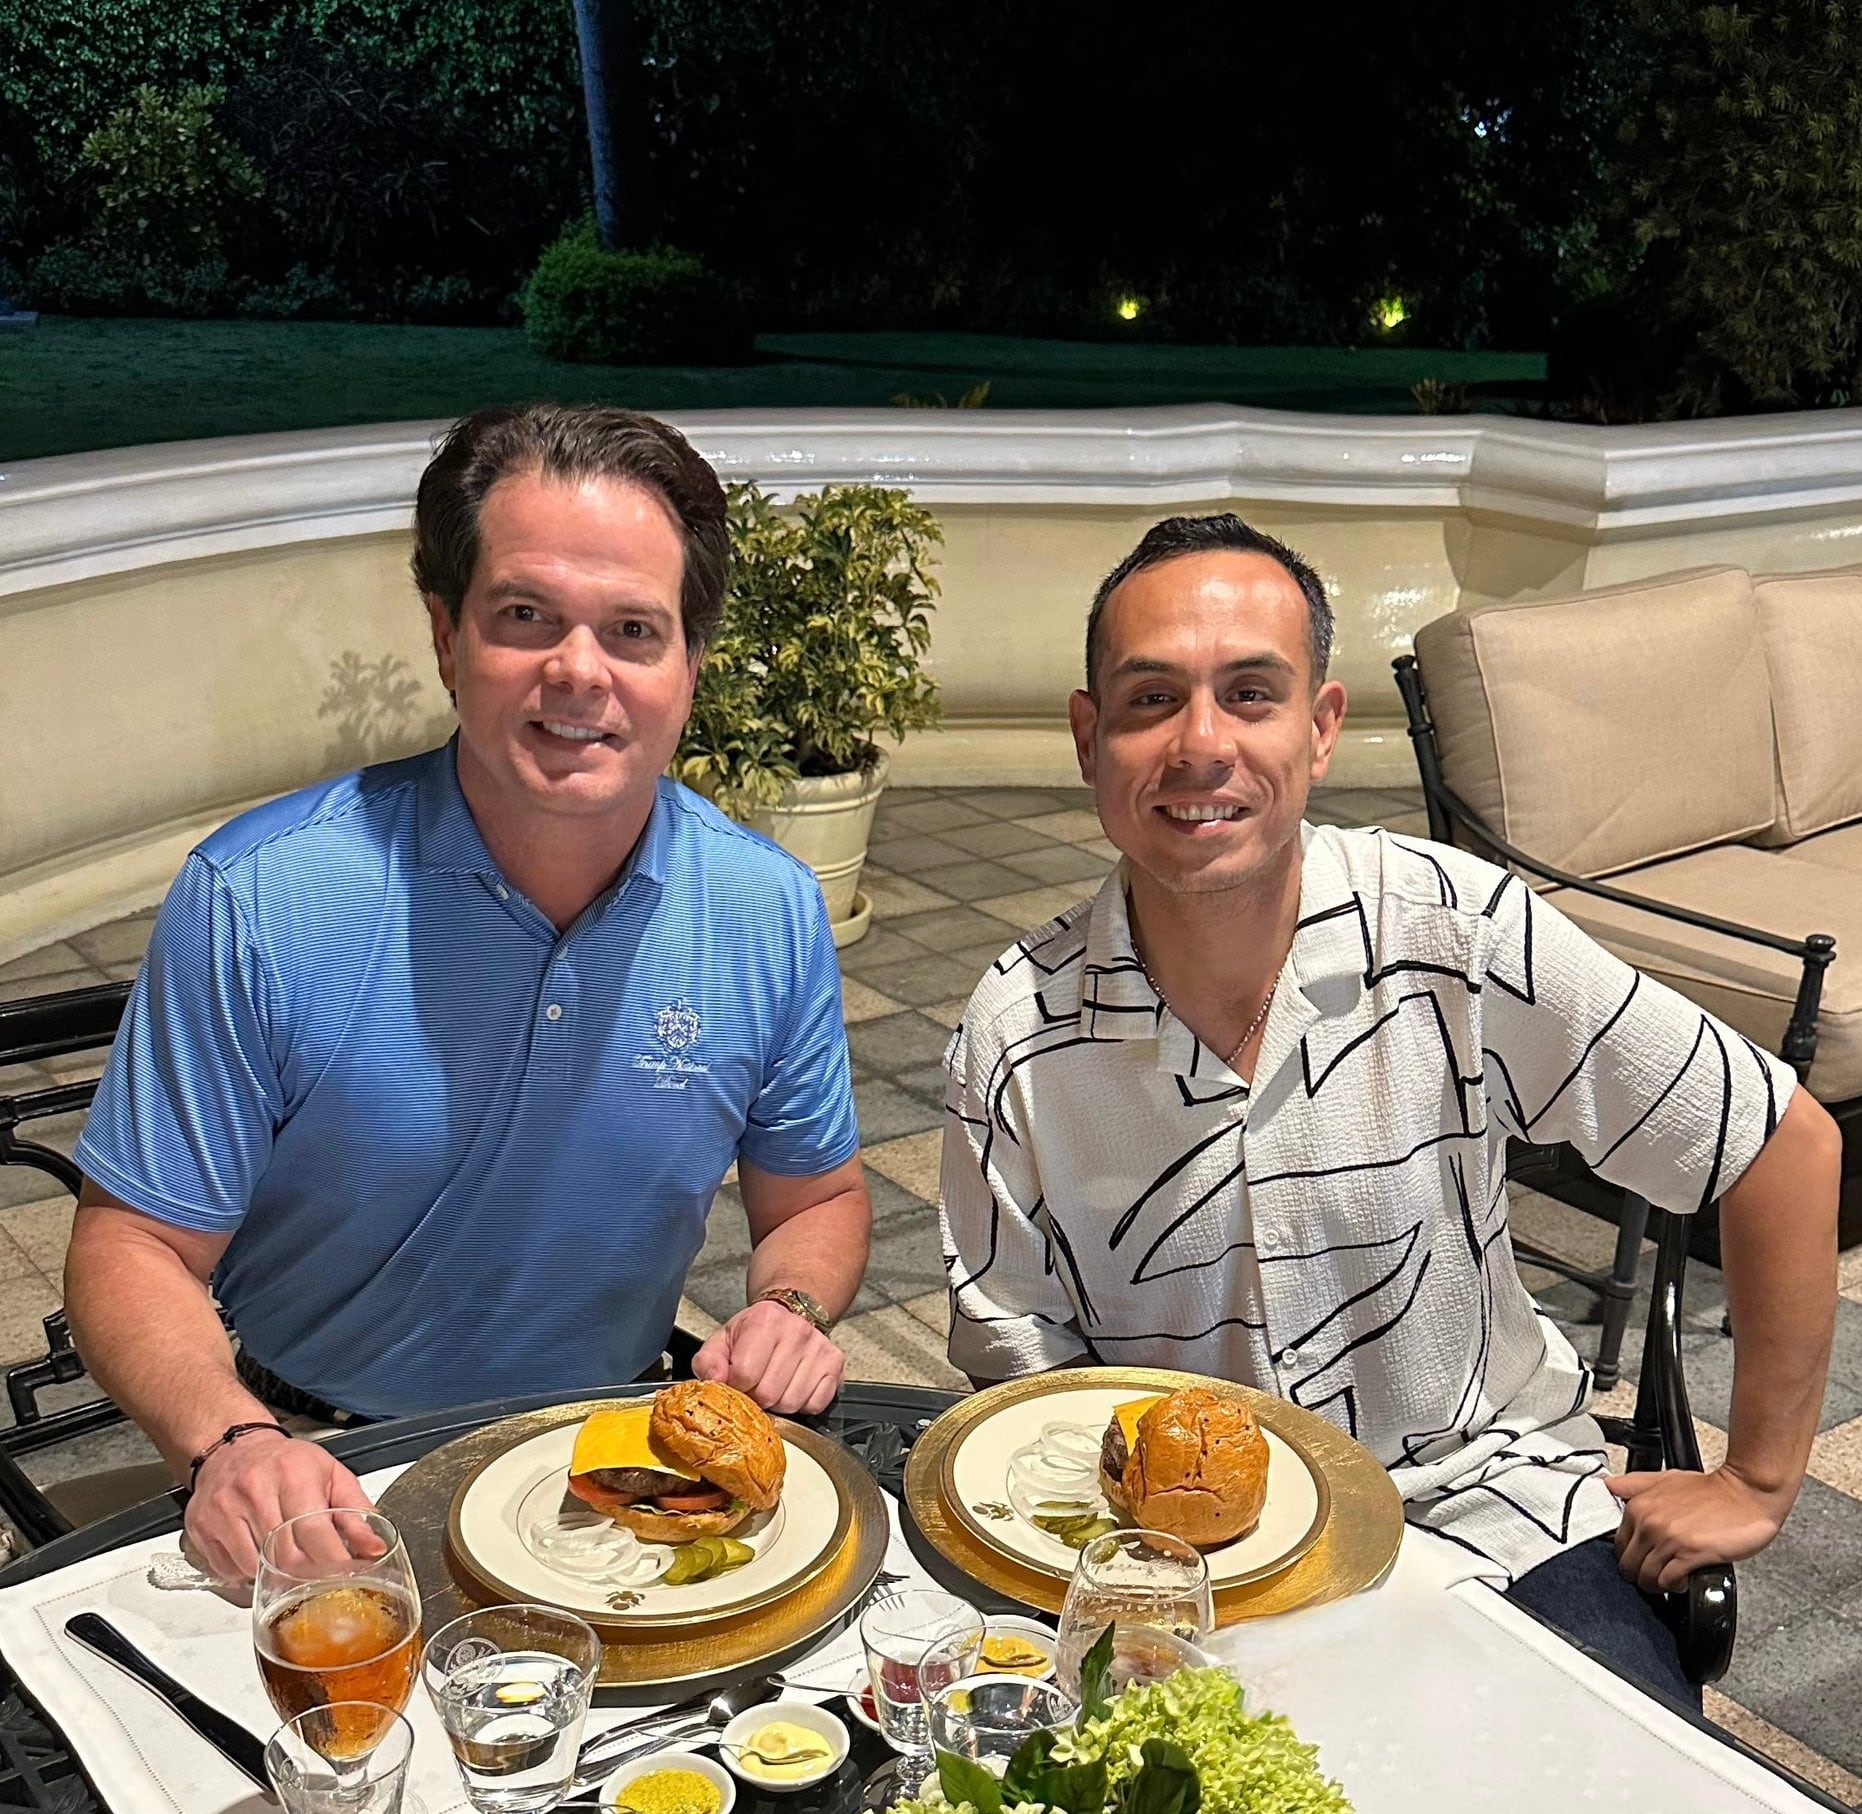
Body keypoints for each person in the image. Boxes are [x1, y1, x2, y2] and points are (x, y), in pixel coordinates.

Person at [939, 512, 1840, 1707]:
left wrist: (1759, 1479)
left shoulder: (1452, 933)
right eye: (1150, 699)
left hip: (1493, 1516)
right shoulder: (1016, 1034)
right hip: (1186, 1586)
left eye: (1249, 694)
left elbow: (1776, 1142)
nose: (1199, 743)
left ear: (1318, 729)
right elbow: (1024, 1385)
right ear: (1087, 736)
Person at [65, 403, 871, 1580]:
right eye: (524, 616)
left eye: (633, 630)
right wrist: (231, 1436)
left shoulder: (767, 908)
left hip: (613, 1460)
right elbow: (131, 1240)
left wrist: (787, 1308)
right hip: (327, 1462)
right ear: (446, 637)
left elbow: (817, 1200)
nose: (577, 671)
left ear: (687, 671)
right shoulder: (260, 896)